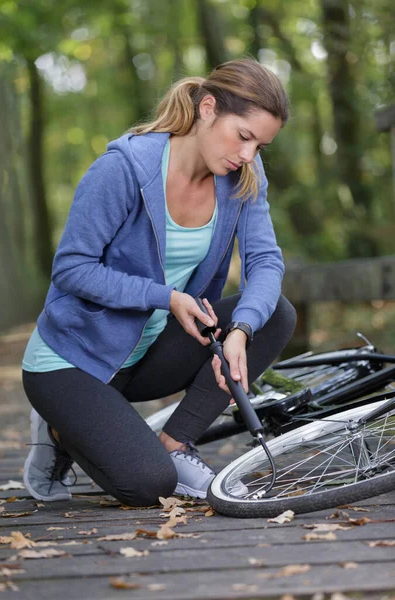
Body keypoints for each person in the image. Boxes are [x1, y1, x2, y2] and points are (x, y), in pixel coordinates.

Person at [22, 58, 296, 506]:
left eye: (260, 146)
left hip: (146, 353)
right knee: (148, 484)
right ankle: (58, 426)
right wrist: (166, 297)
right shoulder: (124, 168)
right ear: (208, 108)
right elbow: (72, 269)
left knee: (274, 314)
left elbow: (265, 261)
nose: (248, 155)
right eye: (244, 137)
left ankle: (176, 443)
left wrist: (241, 331)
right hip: (74, 359)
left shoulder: (244, 176)